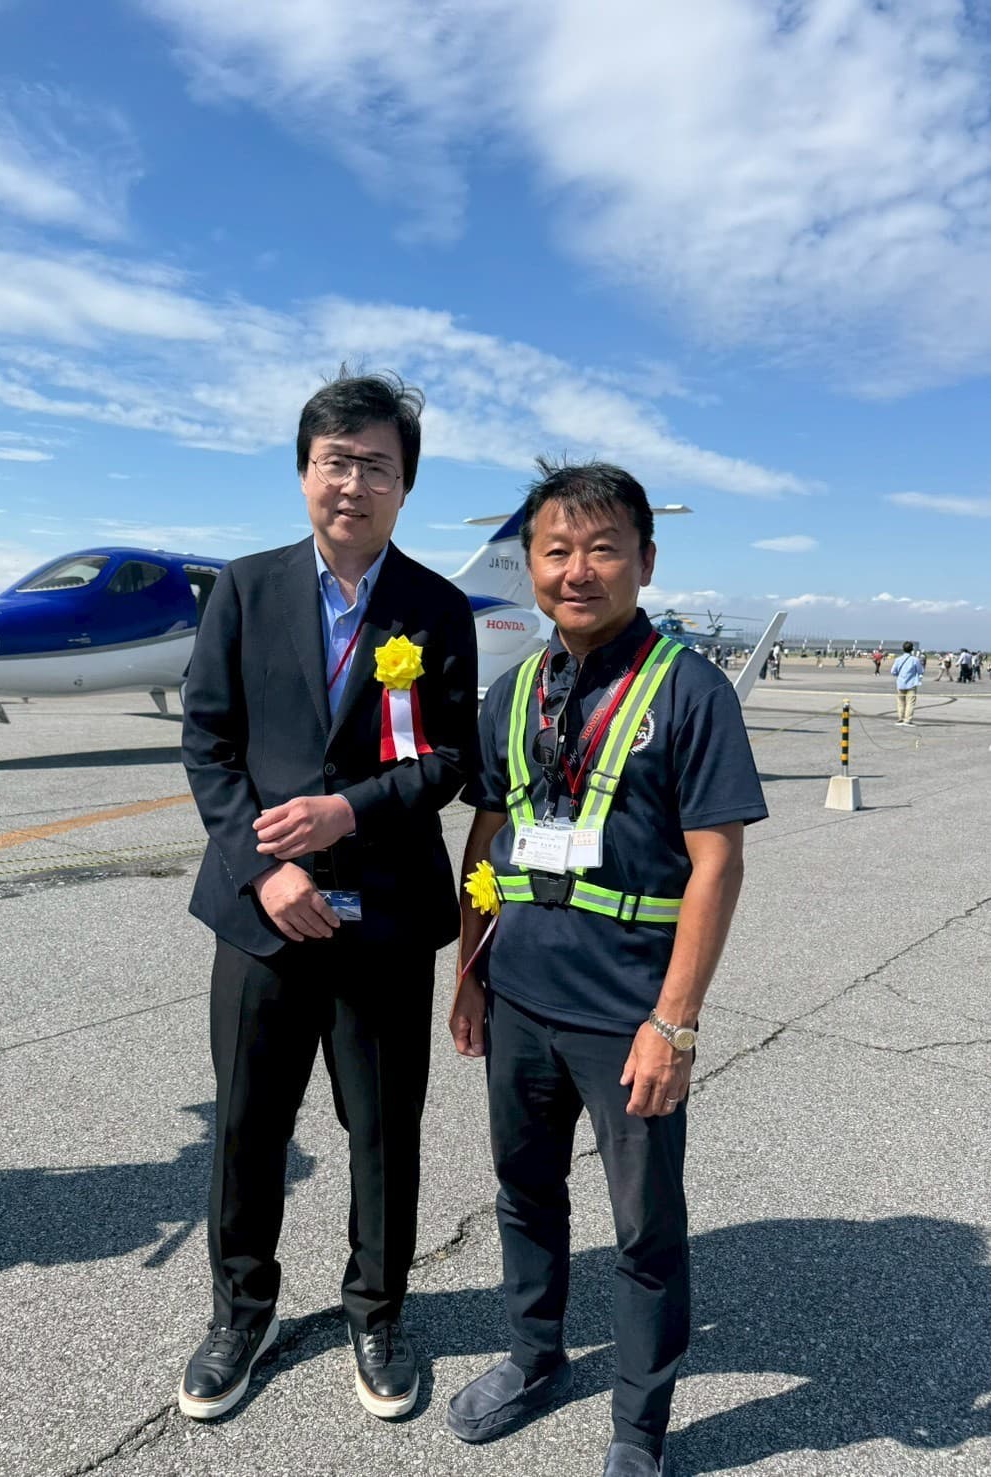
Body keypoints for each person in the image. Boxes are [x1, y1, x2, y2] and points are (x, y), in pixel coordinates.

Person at [446, 460, 767, 1477]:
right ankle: (533, 1355)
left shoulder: (690, 690)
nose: (576, 570)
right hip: (519, 995)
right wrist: (469, 967)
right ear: (533, 563)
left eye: (601, 548)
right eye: (556, 550)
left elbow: (717, 861)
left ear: (644, 560)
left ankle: (639, 1426)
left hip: (627, 1013)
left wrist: (674, 1021)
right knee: (523, 1191)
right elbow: (490, 831)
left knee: (643, 1228)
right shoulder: (515, 691)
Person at [178, 371, 477, 1423]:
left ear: (406, 485)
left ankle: (377, 1311)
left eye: (377, 466)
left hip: (383, 914)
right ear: (305, 471)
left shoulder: (436, 608)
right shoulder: (245, 588)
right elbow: (208, 743)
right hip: (261, 914)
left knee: (383, 1130)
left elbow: (450, 759)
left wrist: (347, 813)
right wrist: (266, 867)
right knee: (247, 1124)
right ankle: (241, 1311)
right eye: (336, 461)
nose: (354, 483)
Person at [890, 641, 923, 725]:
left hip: (900, 684)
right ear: (912, 649)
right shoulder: (915, 660)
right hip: (911, 684)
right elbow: (920, 671)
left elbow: (893, 671)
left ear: (903, 649)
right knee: (910, 703)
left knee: (900, 702)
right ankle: (907, 720)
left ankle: (900, 718)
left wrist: (899, 675)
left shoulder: (898, 659)